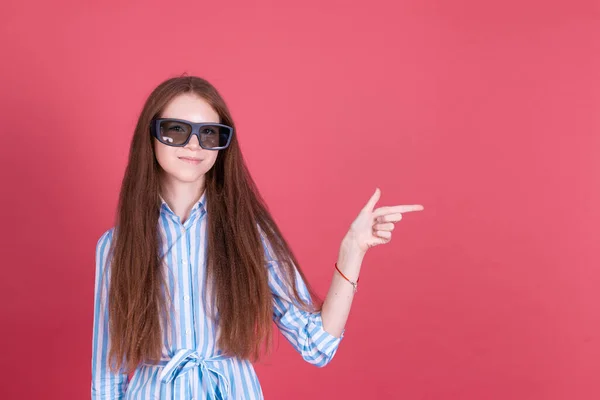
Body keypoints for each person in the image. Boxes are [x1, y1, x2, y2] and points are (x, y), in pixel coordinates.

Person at [91, 75, 423, 400]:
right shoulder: (116, 247)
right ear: (151, 136)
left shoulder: (248, 234)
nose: (194, 144)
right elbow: (107, 377)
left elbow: (316, 345)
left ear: (222, 145)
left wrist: (353, 250)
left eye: (209, 133)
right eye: (176, 129)